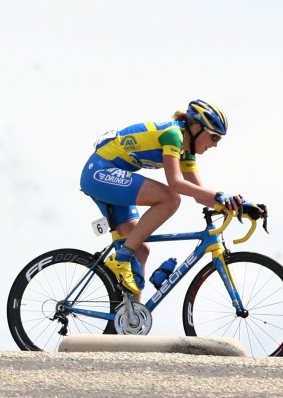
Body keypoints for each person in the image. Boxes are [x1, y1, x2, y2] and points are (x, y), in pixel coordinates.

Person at [79, 99, 242, 295]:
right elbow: (175, 184)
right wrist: (220, 196)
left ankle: (130, 322)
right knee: (170, 198)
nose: (215, 145)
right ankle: (121, 259)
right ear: (197, 127)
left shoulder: (187, 152)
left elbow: (201, 195)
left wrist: (238, 205)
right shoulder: (174, 135)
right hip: (99, 172)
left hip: (111, 176)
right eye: (214, 137)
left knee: (141, 251)